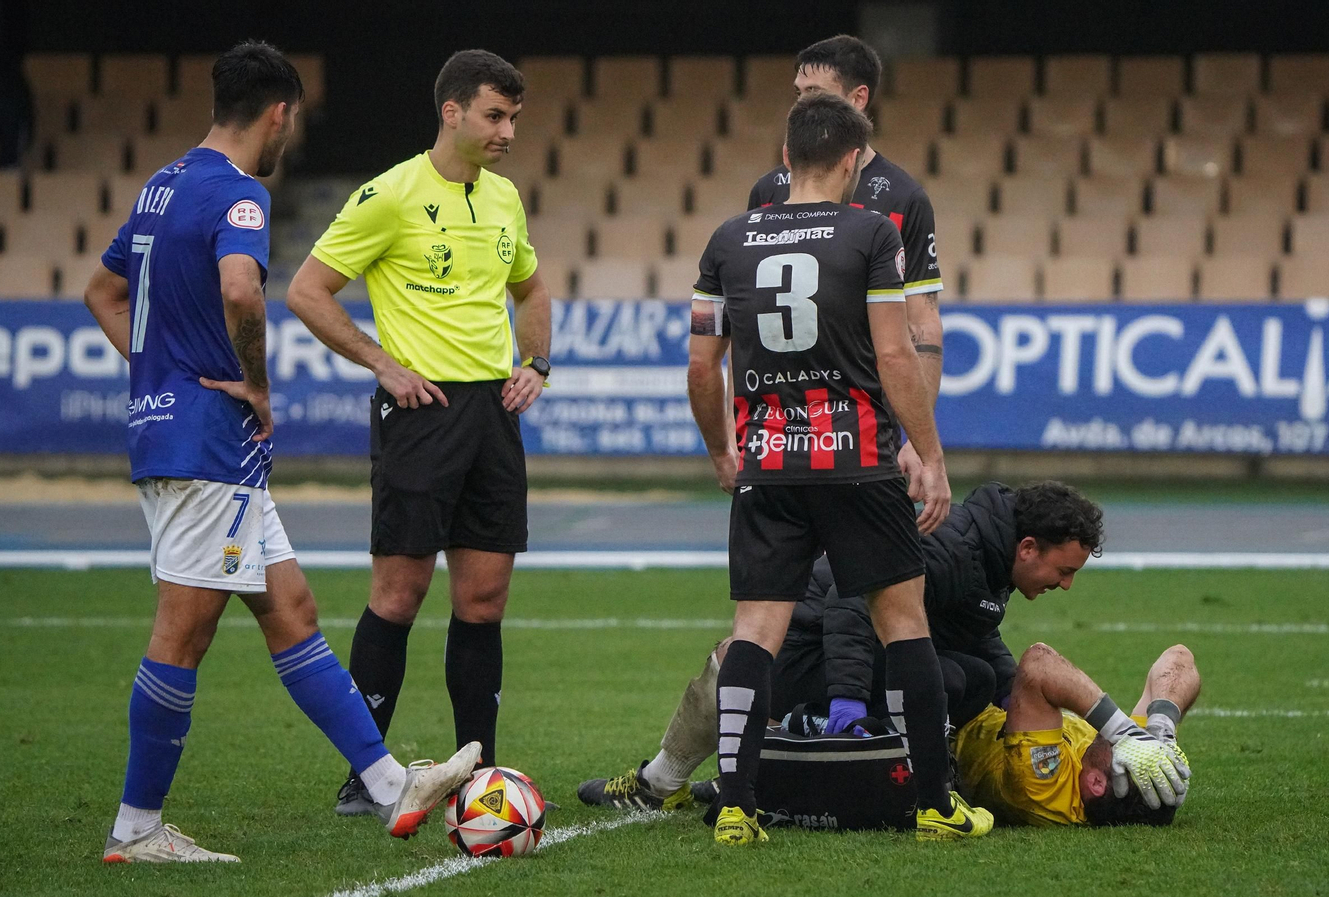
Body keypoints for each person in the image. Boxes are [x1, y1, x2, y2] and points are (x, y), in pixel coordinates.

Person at [80, 41, 479, 864]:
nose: (286, 137)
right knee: (182, 632)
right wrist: (251, 386)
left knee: (291, 611)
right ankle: (136, 826)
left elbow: (102, 292)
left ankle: (384, 781)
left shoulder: (162, 184)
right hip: (208, 445)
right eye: (289, 122)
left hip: (186, 438)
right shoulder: (241, 195)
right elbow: (240, 289)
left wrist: (159, 374)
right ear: (278, 113)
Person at [686, 92, 990, 845]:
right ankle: (934, 805)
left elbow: (700, 364)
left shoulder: (727, 239)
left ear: (785, 157)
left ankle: (735, 805)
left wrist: (723, 448)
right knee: (903, 624)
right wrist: (930, 453)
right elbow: (894, 354)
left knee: (754, 633)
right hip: (855, 464)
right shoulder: (870, 233)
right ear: (854, 159)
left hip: (768, 467)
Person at [285, 50, 553, 815]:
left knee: (484, 598)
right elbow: (308, 290)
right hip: (420, 416)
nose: (508, 131)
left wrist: (536, 362)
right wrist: (382, 363)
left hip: (494, 417)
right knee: (399, 594)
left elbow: (532, 288)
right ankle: (367, 776)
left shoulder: (503, 199)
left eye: (514, 118)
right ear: (453, 112)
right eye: (496, 116)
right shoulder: (390, 194)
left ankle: (481, 779)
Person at [578, 480, 1106, 810]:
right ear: (1029, 547)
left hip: (829, 646)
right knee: (947, 680)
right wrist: (846, 701)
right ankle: (661, 784)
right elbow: (849, 602)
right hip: (802, 649)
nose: (1066, 584)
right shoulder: (953, 550)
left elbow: (978, 636)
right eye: (1064, 571)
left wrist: (1035, 710)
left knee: (980, 678)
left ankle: (779, 773)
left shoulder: (988, 558)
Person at [746, 35, 946, 487]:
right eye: (798, 94)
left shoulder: (904, 198)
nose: (799, 107)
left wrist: (918, 439)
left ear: (858, 100)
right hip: (780, 430)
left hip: (865, 428)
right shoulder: (769, 191)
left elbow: (923, 323)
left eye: (814, 94)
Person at [954, 642, 1198, 826]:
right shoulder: (1110, 765)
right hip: (984, 696)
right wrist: (1162, 727)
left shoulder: (1043, 786)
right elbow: (1179, 656)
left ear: (1096, 783)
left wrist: (1122, 730)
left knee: (967, 671)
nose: (1133, 743)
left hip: (958, 712)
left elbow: (1039, 663)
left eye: (1134, 752)